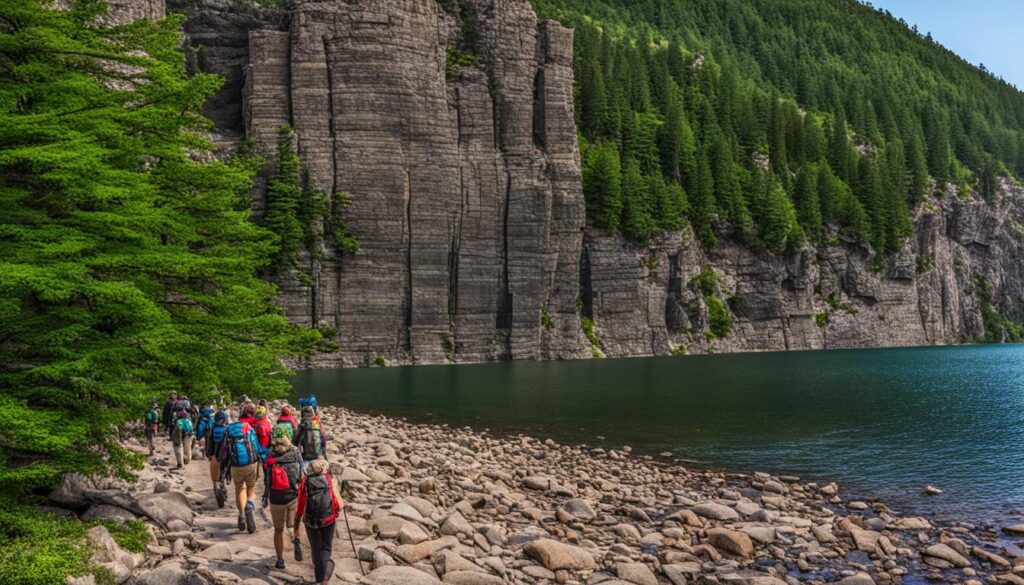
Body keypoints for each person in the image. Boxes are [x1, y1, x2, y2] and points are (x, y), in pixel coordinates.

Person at [293, 458, 344, 585]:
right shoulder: (328, 480)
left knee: (315, 549)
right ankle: (325, 579)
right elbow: (337, 503)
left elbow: (300, 506)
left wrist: (297, 525)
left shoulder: (306, 481)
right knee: (326, 548)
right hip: (328, 519)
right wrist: (336, 511)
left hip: (310, 521)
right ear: (323, 469)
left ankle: (319, 580)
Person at [263, 430, 304, 569]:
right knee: (291, 525)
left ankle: (280, 560)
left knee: (278, 530)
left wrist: (265, 496)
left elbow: (267, 478)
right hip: (292, 494)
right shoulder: (295, 452)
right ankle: (295, 539)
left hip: (276, 497)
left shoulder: (270, 455)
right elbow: (301, 471)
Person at [219, 417, 264, 533]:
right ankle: (249, 503)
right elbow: (255, 446)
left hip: (235, 465)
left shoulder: (228, 431)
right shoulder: (248, 429)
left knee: (239, 489)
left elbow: (224, 451)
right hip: (250, 464)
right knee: (250, 487)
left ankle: (241, 514)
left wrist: (222, 465)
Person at [205, 410, 230, 508]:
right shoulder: (227, 429)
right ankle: (223, 486)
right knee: (223, 472)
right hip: (225, 455)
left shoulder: (212, 429)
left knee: (215, 476)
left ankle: (219, 489)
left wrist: (209, 454)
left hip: (214, 455)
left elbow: (208, 443)